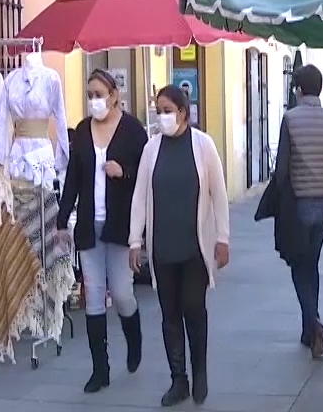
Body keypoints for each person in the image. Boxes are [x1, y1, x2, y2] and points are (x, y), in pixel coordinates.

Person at [128, 84, 230, 407]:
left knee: (193, 308)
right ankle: (178, 379)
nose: (162, 117)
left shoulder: (203, 145)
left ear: (183, 113)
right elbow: (140, 197)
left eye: (167, 110)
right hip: (162, 249)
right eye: (158, 111)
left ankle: (199, 370)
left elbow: (219, 194)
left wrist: (223, 239)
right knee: (169, 313)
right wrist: (135, 241)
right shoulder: (151, 149)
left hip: (195, 247)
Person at [57, 68, 148, 394]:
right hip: (88, 225)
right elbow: (72, 178)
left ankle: (134, 339)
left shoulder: (133, 130)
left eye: (99, 94)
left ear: (113, 95)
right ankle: (100, 369)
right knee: (93, 295)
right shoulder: (82, 131)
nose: (94, 100)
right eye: (89, 95)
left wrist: (123, 172)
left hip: (120, 225)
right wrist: (62, 217)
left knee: (122, 293)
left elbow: (146, 172)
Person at [275, 64, 323, 359]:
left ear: (299, 89)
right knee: (311, 264)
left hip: (299, 205)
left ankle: (313, 323)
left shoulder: (290, 119)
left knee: (298, 267)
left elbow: (281, 169)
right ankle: (309, 329)